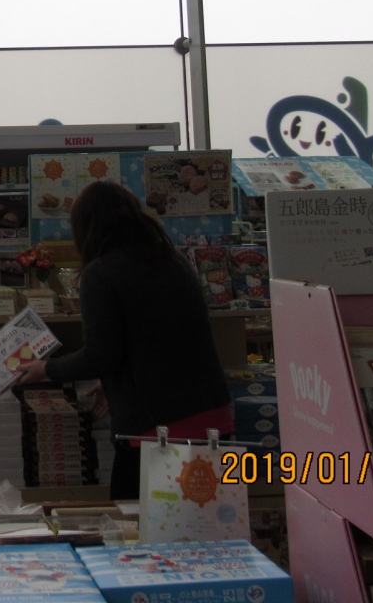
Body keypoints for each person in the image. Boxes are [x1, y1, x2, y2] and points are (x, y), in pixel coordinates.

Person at [16, 180, 231, 499]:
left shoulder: (100, 273)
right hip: (214, 418)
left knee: (136, 521)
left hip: (157, 432)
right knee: (207, 521)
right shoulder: (173, 260)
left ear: (86, 227)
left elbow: (100, 355)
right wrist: (114, 380)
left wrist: (45, 369)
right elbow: (161, 336)